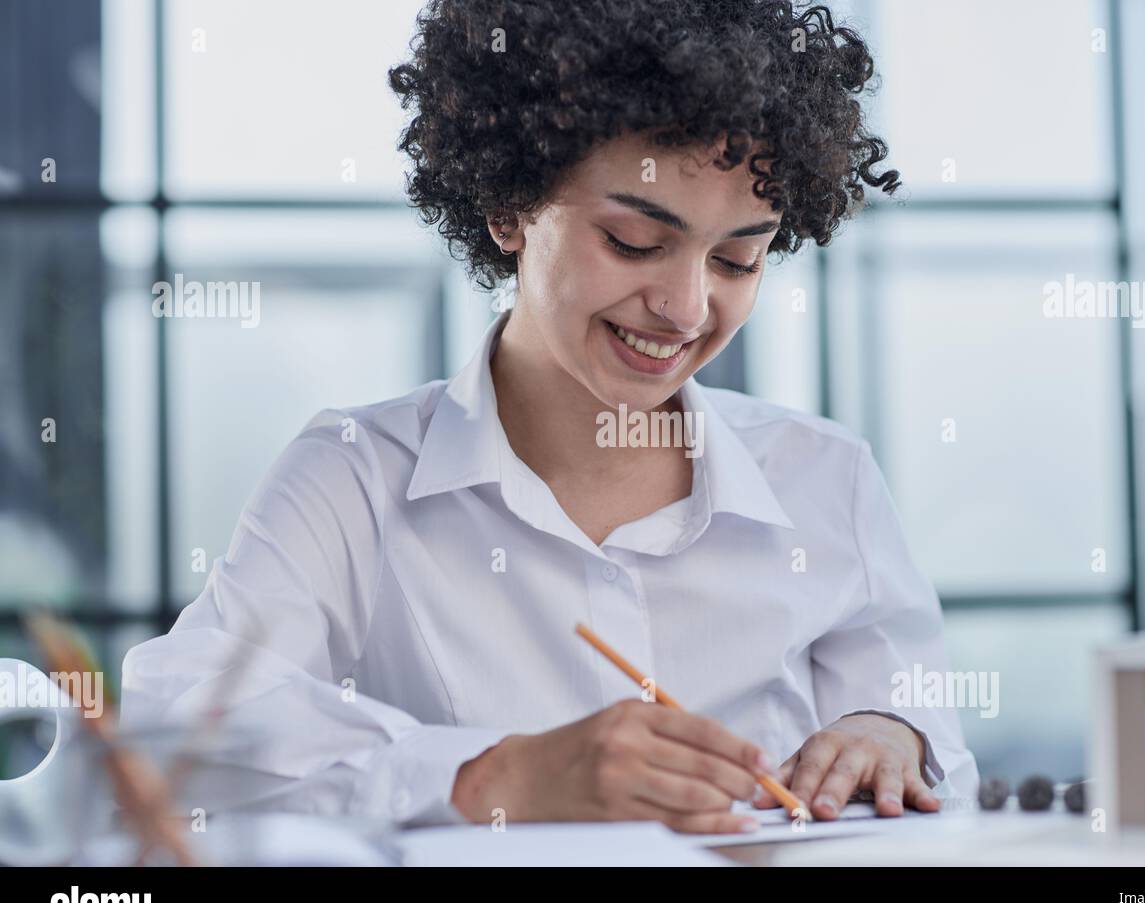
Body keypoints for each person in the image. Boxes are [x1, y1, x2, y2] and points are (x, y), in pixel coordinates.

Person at [122, 0, 979, 835]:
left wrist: (893, 736)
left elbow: (930, 739)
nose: (685, 309)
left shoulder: (826, 478)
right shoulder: (353, 477)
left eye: (737, 259)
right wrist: (490, 775)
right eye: (635, 244)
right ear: (508, 206)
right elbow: (179, 729)